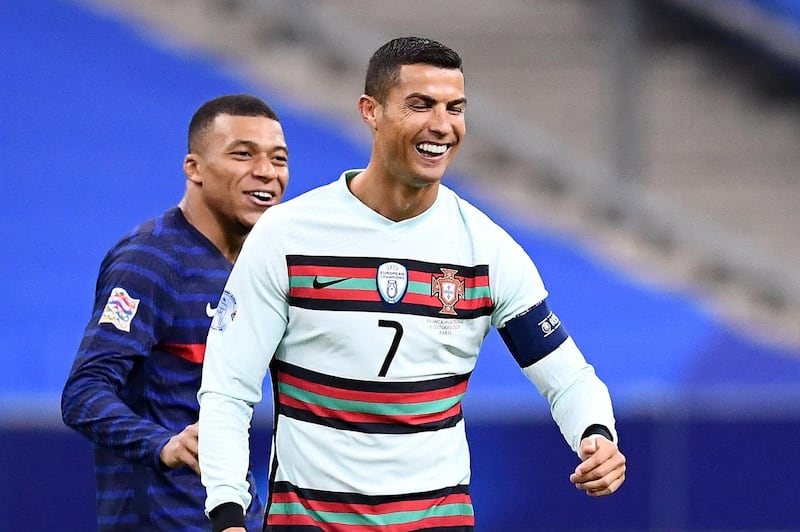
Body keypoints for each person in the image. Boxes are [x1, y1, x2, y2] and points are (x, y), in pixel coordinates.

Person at [198, 37, 626, 532]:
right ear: (371, 111)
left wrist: (595, 433)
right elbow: (227, 390)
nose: (442, 126)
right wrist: (227, 514)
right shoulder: (286, 235)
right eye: (420, 105)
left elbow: (570, 378)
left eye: (455, 108)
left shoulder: (486, 251)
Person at [61, 93, 290, 531]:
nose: (266, 172)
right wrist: (164, 445)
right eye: (243, 154)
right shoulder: (152, 259)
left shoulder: (263, 263)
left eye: (278, 158)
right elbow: (83, 393)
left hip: (238, 517)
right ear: (194, 168)